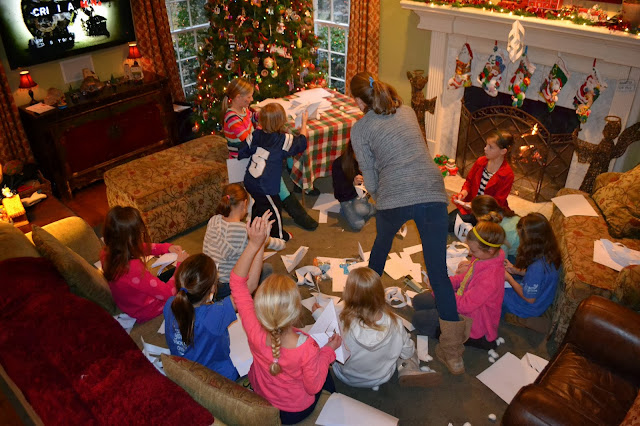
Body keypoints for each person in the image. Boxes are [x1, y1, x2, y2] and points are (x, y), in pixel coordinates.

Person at [349, 71, 468, 375]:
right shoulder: (407, 111)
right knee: (438, 272)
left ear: (360, 101)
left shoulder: (360, 129)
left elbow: (370, 175)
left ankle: (363, 313)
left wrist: (380, 198)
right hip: (432, 190)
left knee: (380, 249)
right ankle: (454, 354)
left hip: (395, 195)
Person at [229, 212, 341, 425]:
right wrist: (328, 352)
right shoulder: (308, 347)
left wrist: (255, 244)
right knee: (324, 368)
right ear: (297, 312)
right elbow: (313, 387)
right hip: (293, 412)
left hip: (263, 398)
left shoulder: (253, 327)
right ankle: (334, 402)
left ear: (260, 307)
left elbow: (237, 282)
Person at [313, 267, 441, 390]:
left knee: (331, 343)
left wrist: (318, 314)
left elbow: (327, 328)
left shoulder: (342, 322)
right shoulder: (395, 323)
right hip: (381, 377)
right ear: (381, 294)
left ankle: (404, 366)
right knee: (405, 346)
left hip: (347, 377)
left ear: (349, 296)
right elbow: (407, 351)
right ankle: (407, 368)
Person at [222, 78, 317, 230]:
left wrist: (268, 115)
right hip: (242, 158)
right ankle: (299, 215)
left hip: (255, 151)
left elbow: (254, 117)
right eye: (249, 97)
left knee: (286, 155)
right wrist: (267, 124)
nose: (251, 100)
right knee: (277, 178)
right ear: (238, 97)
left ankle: (298, 183)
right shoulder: (231, 117)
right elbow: (247, 139)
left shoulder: (244, 109)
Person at [412, 221, 506, 350]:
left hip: (473, 321)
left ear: (490, 250)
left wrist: (442, 291)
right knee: (418, 301)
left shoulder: (490, 279)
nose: (471, 253)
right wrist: (443, 283)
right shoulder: (483, 258)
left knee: (419, 320)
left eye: (473, 250)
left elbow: (464, 306)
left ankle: (471, 339)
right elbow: (464, 278)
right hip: (462, 300)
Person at [101, 206, 188, 322]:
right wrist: (181, 265)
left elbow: (139, 247)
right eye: (139, 233)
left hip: (131, 303)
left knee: (173, 273)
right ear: (131, 239)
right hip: (148, 309)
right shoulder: (133, 269)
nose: (141, 235)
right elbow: (169, 293)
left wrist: (166, 248)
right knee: (189, 277)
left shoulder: (107, 252)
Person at [238, 103, 309, 242]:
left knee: (260, 206)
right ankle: (279, 236)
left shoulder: (255, 134)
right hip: (266, 186)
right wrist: (304, 122)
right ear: (281, 121)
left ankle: (256, 229)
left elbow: (242, 151)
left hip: (250, 180)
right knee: (275, 210)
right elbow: (302, 141)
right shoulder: (284, 140)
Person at [163, 254, 240, 381]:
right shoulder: (214, 315)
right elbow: (246, 289)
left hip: (184, 371)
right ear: (213, 288)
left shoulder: (170, 303)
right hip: (215, 378)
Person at [202, 183, 283, 299]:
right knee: (267, 268)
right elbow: (268, 242)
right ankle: (259, 300)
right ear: (245, 204)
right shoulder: (244, 231)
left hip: (209, 284)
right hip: (230, 287)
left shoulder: (213, 220)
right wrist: (281, 243)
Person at [503, 213, 561, 333]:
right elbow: (541, 278)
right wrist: (516, 270)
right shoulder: (550, 251)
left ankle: (520, 319)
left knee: (493, 292)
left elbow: (530, 299)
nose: (520, 241)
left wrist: (509, 279)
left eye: (521, 238)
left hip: (530, 307)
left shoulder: (537, 267)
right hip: (542, 296)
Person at [449, 131, 515, 231]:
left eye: (490, 147)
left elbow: (497, 202)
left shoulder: (507, 174)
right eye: (486, 145)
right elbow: (469, 182)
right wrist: (463, 193)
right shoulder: (480, 161)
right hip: (470, 207)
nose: (485, 148)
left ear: (503, 151)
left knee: (484, 235)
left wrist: (475, 206)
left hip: (489, 213)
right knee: (447, 223)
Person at [331, 141, 376, 231]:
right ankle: (350, 210)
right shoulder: (338, 164)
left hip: (359, 195)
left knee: (361, 210)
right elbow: (338, 193)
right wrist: (353, 184)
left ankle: (373, 208)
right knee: (358, 224)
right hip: (345, 198)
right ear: (352, 150)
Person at [471, 195, 520, 262]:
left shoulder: (500, 232)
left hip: (520, 259)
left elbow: (501, 261)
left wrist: (474, 263)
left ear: (480, 218)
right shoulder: (504, 215)